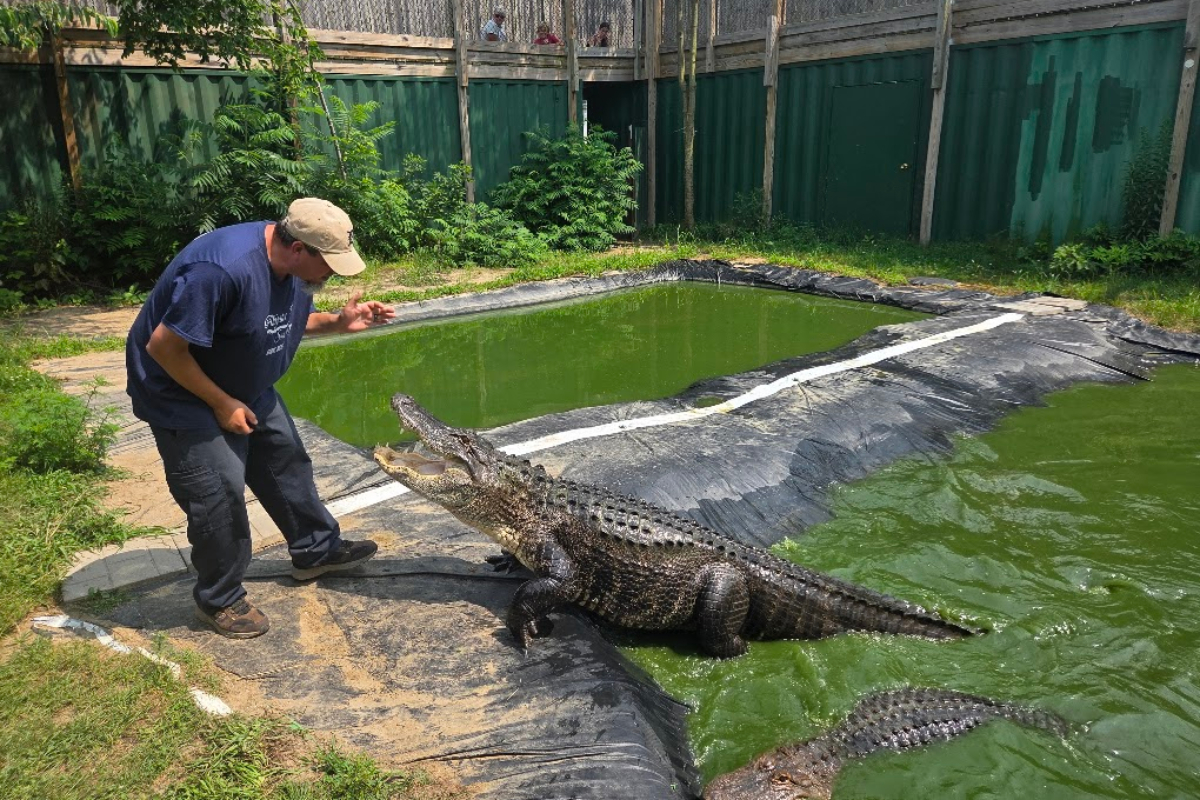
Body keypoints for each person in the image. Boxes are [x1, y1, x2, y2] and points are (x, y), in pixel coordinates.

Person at [126, 197, 397, 639]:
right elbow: (164, 348)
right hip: (181, 390)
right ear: (297, 249)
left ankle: (316, 551)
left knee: (284, 458)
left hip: (242, 383)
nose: (331, 273)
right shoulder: (221, 270)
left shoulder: (289, 268)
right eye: (328, 264)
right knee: (218, 491)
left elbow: (279, 321)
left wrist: (338, 322)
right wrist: (221, 403)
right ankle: (221, 598)